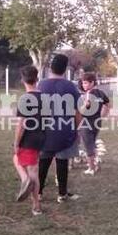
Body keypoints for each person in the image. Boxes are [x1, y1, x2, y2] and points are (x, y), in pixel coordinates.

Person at [38, 54, 82, 203]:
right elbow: (78, 112)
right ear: (65, 68)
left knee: (43, 162)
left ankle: (38, 193)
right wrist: (76, 130)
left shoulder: (41, 85)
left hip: (45, 131)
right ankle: (62, 194)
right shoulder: (71, 87)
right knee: (62, 162)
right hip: (64, 130)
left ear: (50, 67)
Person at [13, 65, 45, 215]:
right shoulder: (45, 98)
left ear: (22, 80)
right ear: (37, 79)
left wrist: (17, 143)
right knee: (33, 168)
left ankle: (35, 204)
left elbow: (21, 124)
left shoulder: (25, 99)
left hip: (28, 139)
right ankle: (30, 186)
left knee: (26, 167)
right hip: (42, 138)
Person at [78, 72, 110, 176]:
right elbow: (108, 104)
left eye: (86, 83)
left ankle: (91, 168)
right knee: (92, 143)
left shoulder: (87, 95)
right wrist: (102, 115)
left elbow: (82, 111)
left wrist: (84, 106)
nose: (84, 85)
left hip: (86, 123)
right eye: (83, 83)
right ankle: (95, 164)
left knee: (88, 146)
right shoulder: (101, 93)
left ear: (92, 82)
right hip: (97, 122)